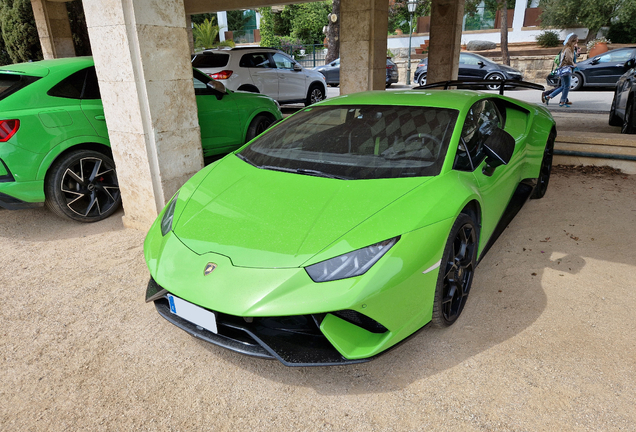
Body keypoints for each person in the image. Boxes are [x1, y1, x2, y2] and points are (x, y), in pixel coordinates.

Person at [542, 34, 579, 107]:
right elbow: (568, 59)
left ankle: (550, 97)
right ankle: (561, 101)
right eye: (577, 39)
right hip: (566, 69)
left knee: (563, 86)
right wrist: (573, 64)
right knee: (566, 86)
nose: (578, 40)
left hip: (563, 69)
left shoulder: (568, 48)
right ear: (574, 40)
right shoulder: (568, 49)